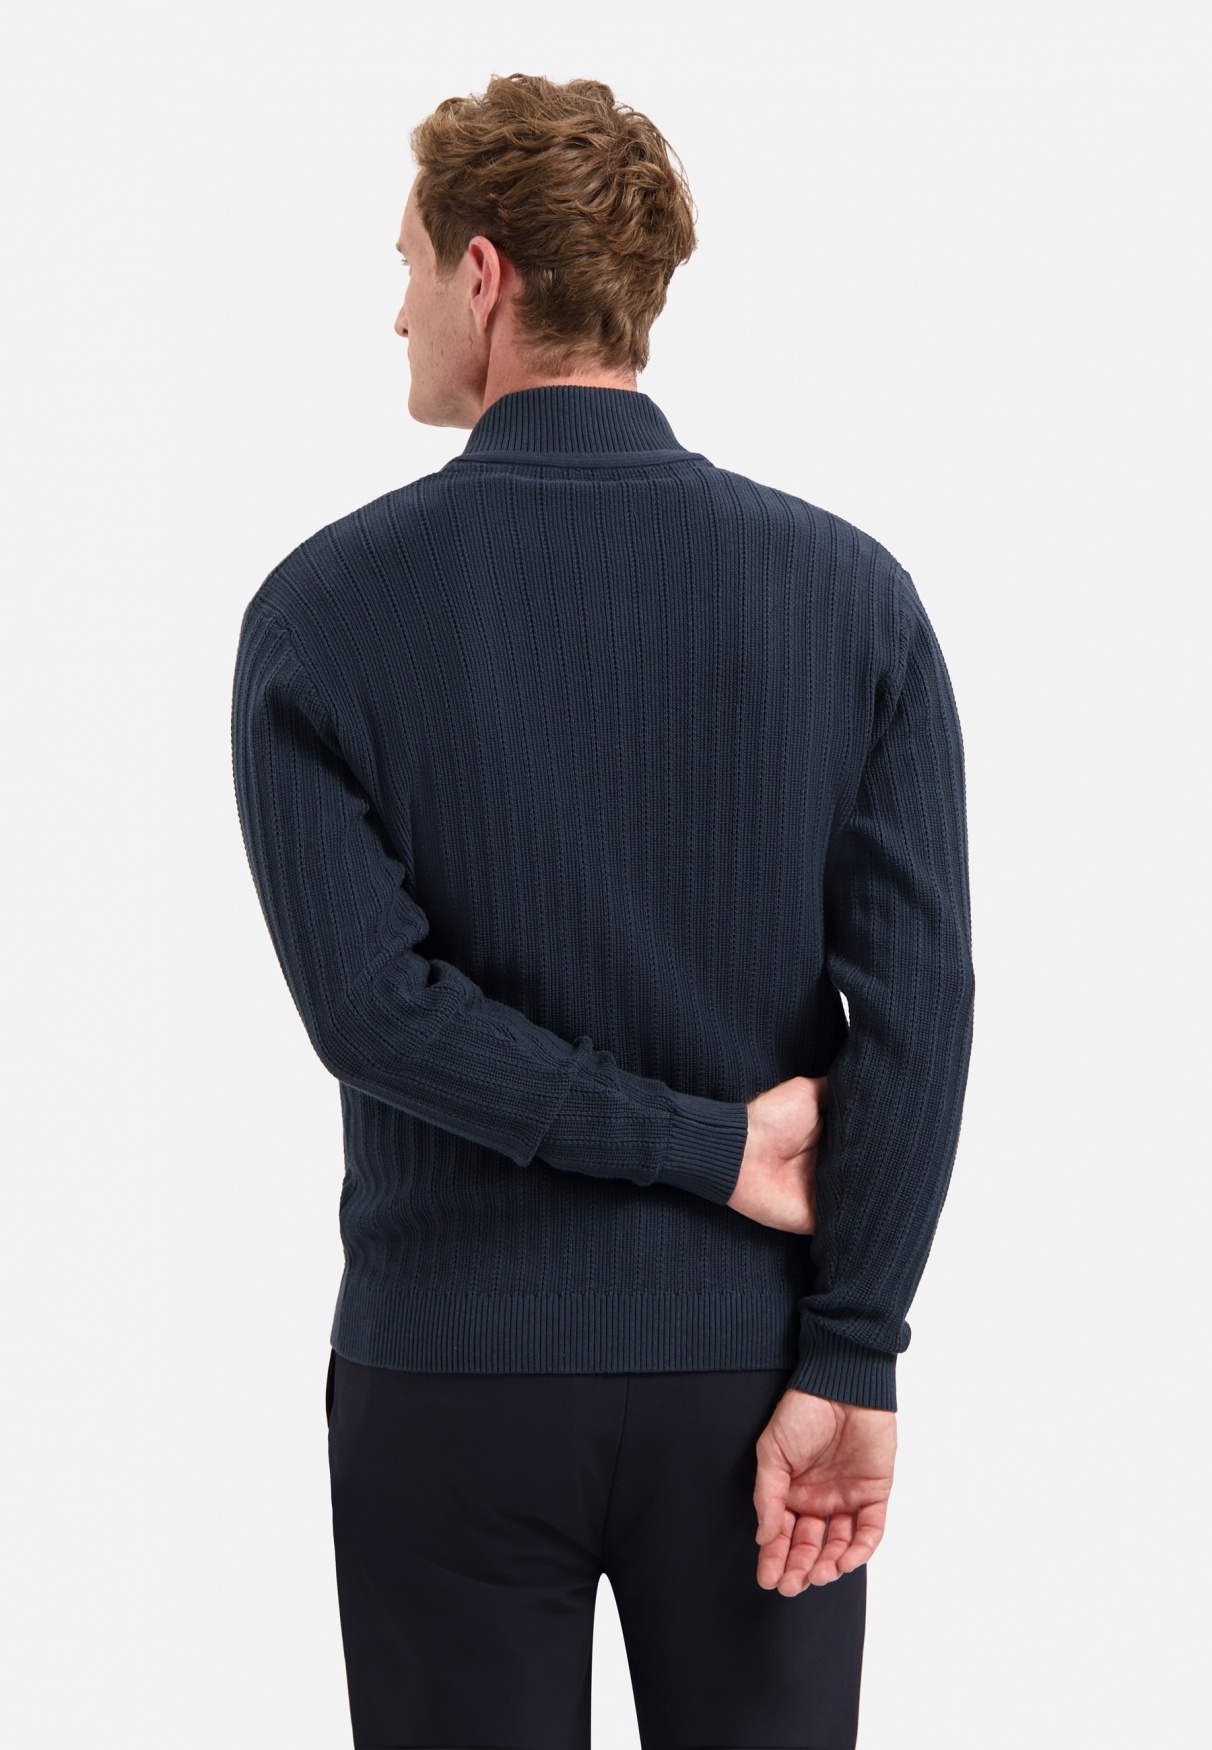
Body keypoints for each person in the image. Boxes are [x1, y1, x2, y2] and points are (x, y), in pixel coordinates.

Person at [231, 71, 974, 1750]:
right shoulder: (852, 597)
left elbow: (375, 1008)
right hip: (761, 1384)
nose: (399, 310)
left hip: (450, 1380)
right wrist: (852, 1347)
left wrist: (708, 1152)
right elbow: (922, 1012)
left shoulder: (325, 612)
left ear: (485, 277)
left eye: (408, 265)